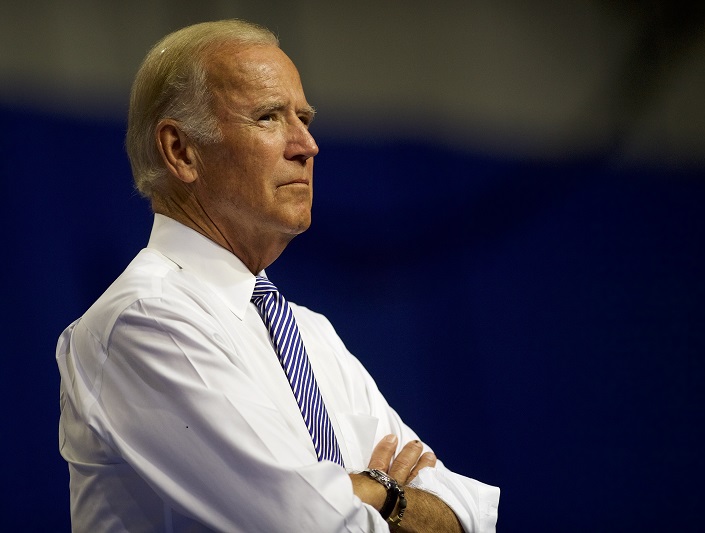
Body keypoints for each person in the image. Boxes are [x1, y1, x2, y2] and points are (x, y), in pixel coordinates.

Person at [56, 19, 499, 532]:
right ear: (181, 151)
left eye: (305, 118)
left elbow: (466, 518)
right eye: (269, 117)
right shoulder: (145, 321)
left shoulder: (310, 335)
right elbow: (308, 525)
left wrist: (377, 493)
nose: (307, 145)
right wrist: (382, 496)